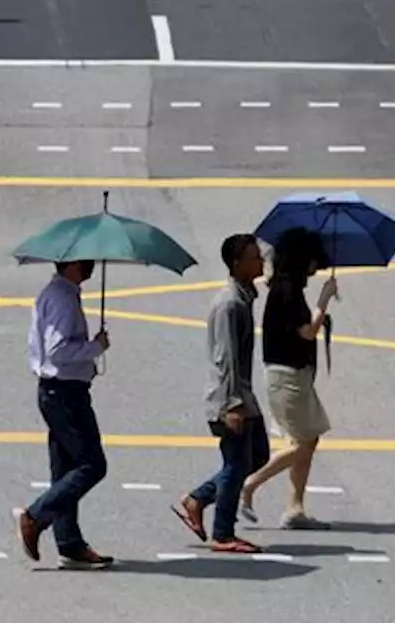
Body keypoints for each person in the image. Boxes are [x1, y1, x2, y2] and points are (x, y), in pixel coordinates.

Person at [171, 234, 270, 553]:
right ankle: (223, 533)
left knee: (257, 457)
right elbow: (225, 358)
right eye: (255, 257)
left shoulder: (244, 297)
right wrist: (233, 405)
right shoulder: (230, 303)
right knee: (236, 464)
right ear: (237, 263)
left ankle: (197, 499)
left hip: (242, 394)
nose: (261, 262)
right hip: (231, 398)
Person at [15, 259, 113, 570]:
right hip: (64, 392)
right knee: (92, 465)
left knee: (65, 469)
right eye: (86, 261)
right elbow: (58, 351)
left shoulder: (61, 293)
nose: (92, 265)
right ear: (71, 264)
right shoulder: (61, 299)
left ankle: (69, 543)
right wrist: (95, 347)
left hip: (60, 391)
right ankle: (35, 516)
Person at [239, 227, 338, 530]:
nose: (316, 266)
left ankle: (295, 507)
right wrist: (324, 301)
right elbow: (307, 331)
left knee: (306, 438)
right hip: (288, 378)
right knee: (304, 442)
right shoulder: (288, 292)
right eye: (313, 260)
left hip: (293, 376)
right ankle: (251, 483)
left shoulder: (285, 288)